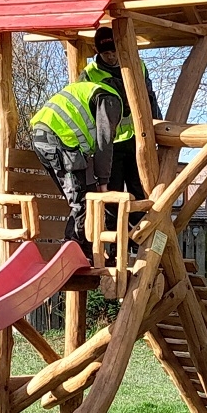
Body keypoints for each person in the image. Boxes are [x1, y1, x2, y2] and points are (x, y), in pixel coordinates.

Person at [29, 80, 123, 253]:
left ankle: (84, 249)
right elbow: (104, 142)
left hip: (41, 136)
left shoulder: (89, 90)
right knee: (81, 200)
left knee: (80, 194)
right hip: (61, 140)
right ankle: (73, 248)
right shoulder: (111, 99)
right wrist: (103, 183)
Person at [79, 25, 162, 205]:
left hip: (137, 138)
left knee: (140, 189)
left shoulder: (137, 64)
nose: (111, 56)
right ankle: (114, 230)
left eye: (113, 51)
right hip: (109, 144)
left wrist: (157, 126)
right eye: (106, 53)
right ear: (97, 51)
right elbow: (85, 110)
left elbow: (150, 97)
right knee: (111, 192)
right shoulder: (89, 73)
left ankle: (140, 228)